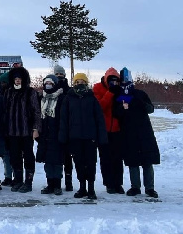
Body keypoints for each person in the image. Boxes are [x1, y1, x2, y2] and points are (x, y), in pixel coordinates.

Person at [113, 67, 160, 198]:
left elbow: (150, 109)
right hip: (128, 133)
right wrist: (123, 107)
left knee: (147, 161)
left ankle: (150, 188)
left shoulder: (140, 94)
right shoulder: (119, 96)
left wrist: (140, 103)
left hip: (144, 132)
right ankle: (135, 187)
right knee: (133, 161)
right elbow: (116, 114)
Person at [59, 73, 108, 200]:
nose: (78, 84)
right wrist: (63, 137)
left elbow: (99, 119)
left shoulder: (92, 98)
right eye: (76, 82)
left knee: (91, 163)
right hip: (74, 137)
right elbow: (64, 120)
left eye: (81, 82)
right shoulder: (68, 98)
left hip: (90, 137)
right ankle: (82, 187)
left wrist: (102, 137)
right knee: (79, 163)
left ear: (86, 83)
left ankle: (91, 188)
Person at [3, 66, 41, 193]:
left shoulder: (31, 92)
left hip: (26, 131)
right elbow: (5, 111)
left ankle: (28, 181)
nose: (17, 80)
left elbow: (36, 111)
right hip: (12, 131)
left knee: (28, 157)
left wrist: (36, 128)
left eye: (19, 78)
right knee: (15, 157)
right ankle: (18, 180)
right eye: (15, 78)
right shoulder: (8, 92)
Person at [93, 67, 125, 194]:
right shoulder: (97, 88)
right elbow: (99, 106)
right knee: (105, 158)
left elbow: (125, 104)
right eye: (111, 81)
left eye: (116, 81)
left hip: (117, 129)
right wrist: (110, 93)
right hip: (103, 130)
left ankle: (118, 183)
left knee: (117, 158)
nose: (114, 83)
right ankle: (109, 183)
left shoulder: (122, 89)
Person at [36, 75, 65, 195]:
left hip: (57, 133)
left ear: (55, 84)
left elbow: (64, 117)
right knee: (47, 162)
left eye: (51, 83)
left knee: (57, 162)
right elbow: (37, 115)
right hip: (45, 135)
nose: (48, 85)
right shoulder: (41, 98)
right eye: (46, 83)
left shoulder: (62, 98)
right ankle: (49, 184)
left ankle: (57, 185)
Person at [54, 64, 74, 191]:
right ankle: (56, 181)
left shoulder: (69, 91)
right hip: (55, 127)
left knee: (67, 157)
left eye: (60, 74)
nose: (59, 76)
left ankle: (68, 181)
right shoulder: (51, 90)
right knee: (56, 156)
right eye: (57, 74)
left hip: (67, 128)